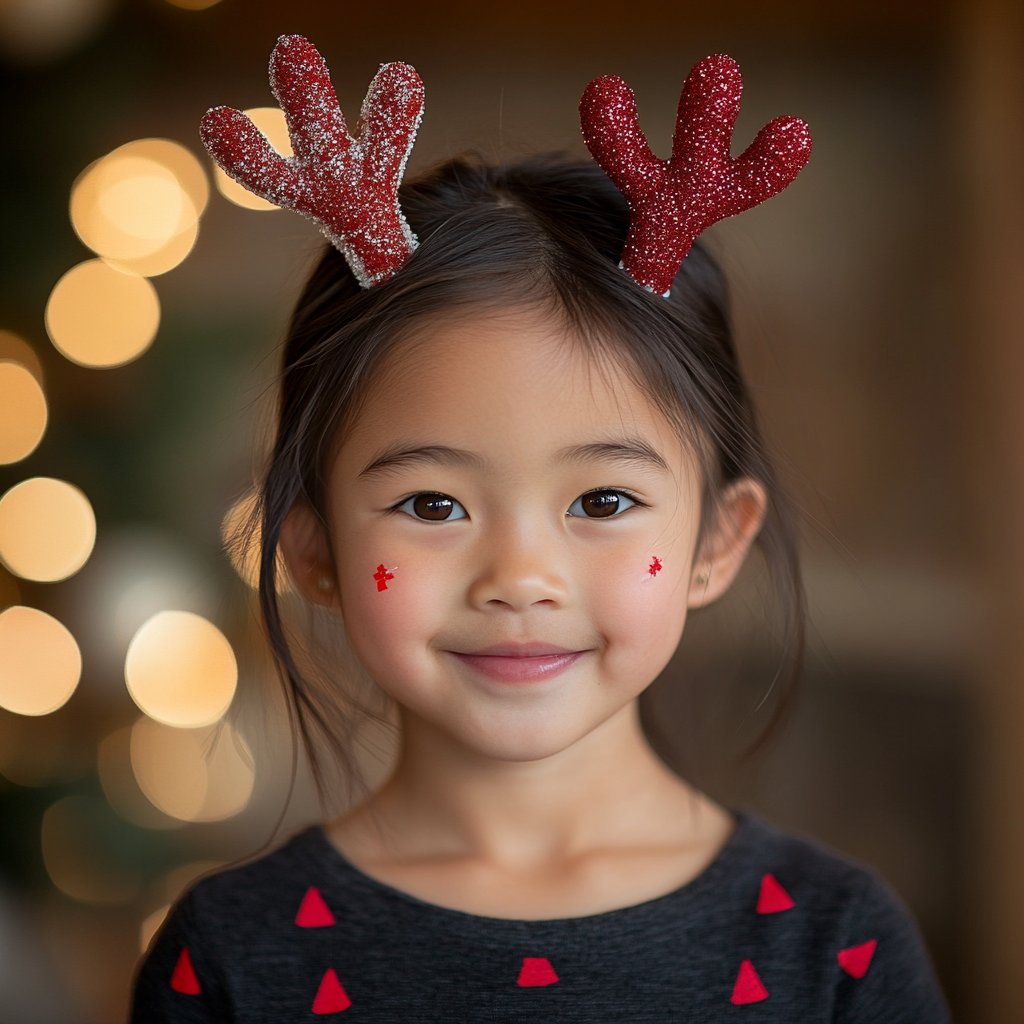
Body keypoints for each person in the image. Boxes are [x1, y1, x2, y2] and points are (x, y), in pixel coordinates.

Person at [131, 36, 950, 1022]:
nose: (519, 576)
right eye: (432, 504)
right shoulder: (228, 952)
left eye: (602, 503)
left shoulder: (832, 943)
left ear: (715, 543)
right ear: (312, 550)